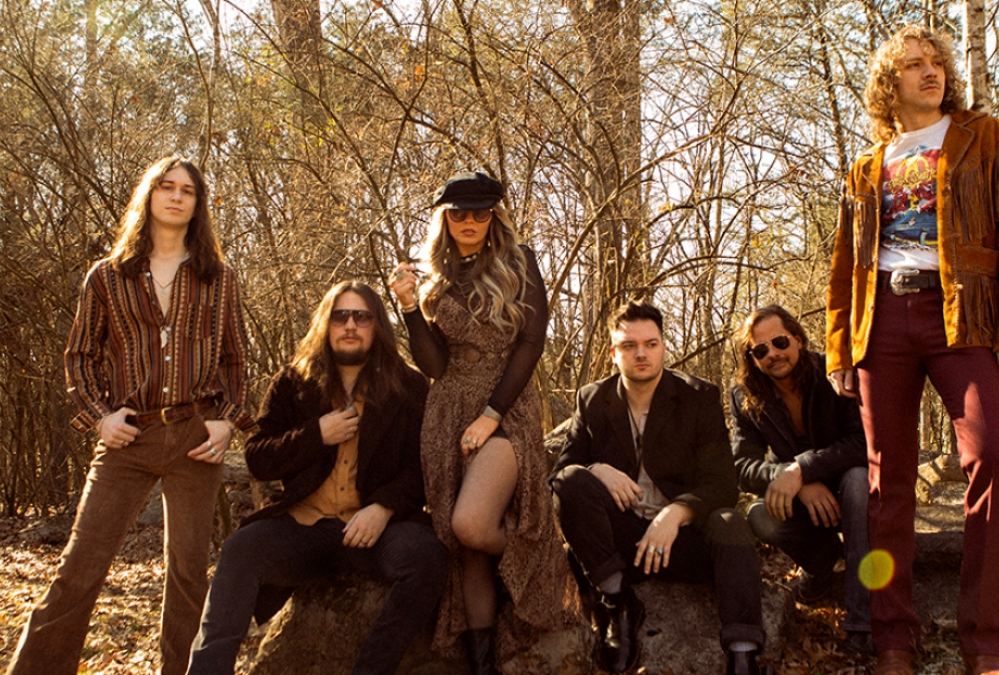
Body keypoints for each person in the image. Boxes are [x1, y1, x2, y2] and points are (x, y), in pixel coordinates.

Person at [826, 25, 999, 675]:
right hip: (882, 322)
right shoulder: (866, 167)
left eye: (936, 62)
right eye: (914, 65)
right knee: (887, 482)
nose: (931, 72)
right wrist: (840, 349)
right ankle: (894, 637)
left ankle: (985, 642)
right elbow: (846, 267)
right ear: (888, 85)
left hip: (963, 317)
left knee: (995, 456)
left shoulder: (988, 139)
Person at [7, 157, 254, 675]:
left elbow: (236, 358)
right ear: (149, 195)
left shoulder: (219, 277)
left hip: (195, 437)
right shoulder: (107, 276)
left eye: (187, 190)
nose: (176, 196)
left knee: (188, 574)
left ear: (197, 204)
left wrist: (226, 420)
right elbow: (79, 355)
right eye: (166, 186)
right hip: (128, 436)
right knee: (80, 567)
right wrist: (100, 417)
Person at [186, 281, 447, 675]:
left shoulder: (407, 385)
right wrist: (316, 435)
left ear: (377, 326)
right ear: (326, 323)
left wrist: (383, 508)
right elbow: (258, 458)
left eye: (362, 317)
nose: (350, 326)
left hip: (374, 530)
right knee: (239, 550)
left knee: (428, 558)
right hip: (305, 528)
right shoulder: (293, 382)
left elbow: (422, 466)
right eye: (340, 316)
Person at [389, 171, 577, 674]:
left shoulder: (520, 261)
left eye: (480, 212)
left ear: (494, 216)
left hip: (506, 403)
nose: (469, 221)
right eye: (458, 213)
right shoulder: (437, 277)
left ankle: (543, 561)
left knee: (469, 524)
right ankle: (482, 664)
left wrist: (492, 414)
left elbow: (531, 342)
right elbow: (434, 365)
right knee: (465, 547)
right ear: (444, 219)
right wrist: (409, 307)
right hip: (448, 408)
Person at [551, 301, 768, 675]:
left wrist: (676, 512)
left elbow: (721, 483)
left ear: (664, 347)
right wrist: (598, 470)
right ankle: (618, 603)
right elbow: (559, 474)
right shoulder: (592, 399)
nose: (641, 354)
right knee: (571, 482)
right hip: (623, 543)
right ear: (613, 352)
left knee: (731, 522)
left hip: (681, 542)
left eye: (650, 344)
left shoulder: (698, 397)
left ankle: (743, 653)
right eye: (629, 345)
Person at [730, 305, 871, 658]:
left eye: (779, 342)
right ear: (752, 358)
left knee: (857, 481)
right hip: (803, 501)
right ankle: (821, 564)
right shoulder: (745, 396)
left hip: (851, 490)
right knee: (759, 515)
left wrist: (803, 470)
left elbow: (862, 442)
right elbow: (741, 465)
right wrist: (793, 478)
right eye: (760, 350)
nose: (773, 354)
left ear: (798, 339)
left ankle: (862, 624)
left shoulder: (834, 373)